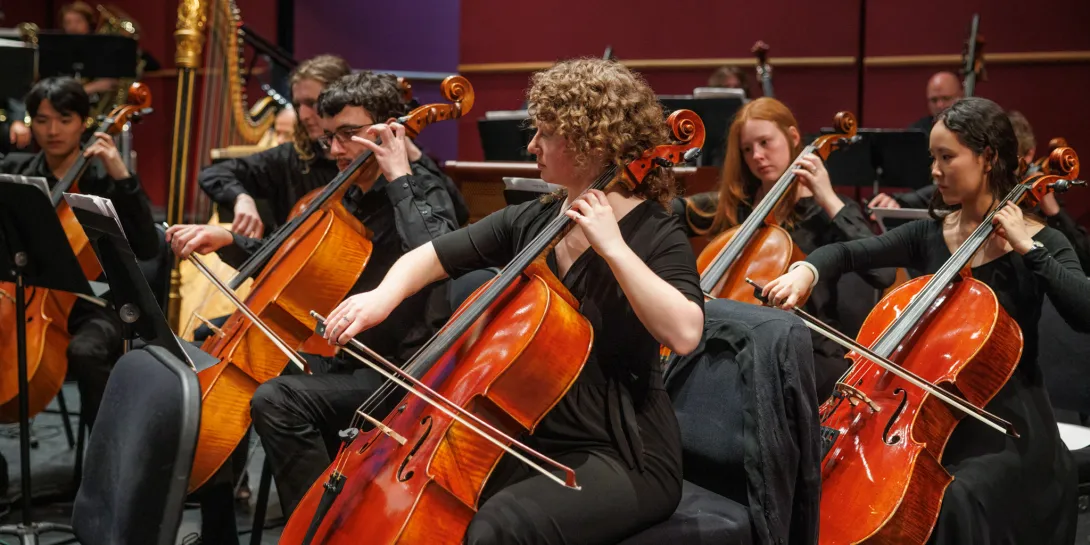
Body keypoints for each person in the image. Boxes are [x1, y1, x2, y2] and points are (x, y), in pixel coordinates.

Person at [321, 57, 705, 545]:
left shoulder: (655, 232)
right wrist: (381, 297)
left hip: (623, 450)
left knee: (498, 527)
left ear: (593, 142)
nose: (531, 146)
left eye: (545, 133)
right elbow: (430, 257)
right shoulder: (538, 218)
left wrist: (613, 248)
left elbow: (686, 331)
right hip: (534, 431)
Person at [763, 96, 1090, 544]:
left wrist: (1028, 250)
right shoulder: (930, 233)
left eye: (946, 157)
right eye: (932, 158)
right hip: (921, 412)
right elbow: (848, 252)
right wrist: (806, 270)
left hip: (1006, 425)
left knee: (953, 499)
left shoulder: (1040, 241)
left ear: (988, 157)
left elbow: (1084, 311)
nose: (934, 171)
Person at [167, 70, 468, 517]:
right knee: (211, 361)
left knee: (276, 399)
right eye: (330, 137)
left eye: (348, 134)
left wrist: (399, 175)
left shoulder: (426, 186)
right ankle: (218, 526)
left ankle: (320, 525)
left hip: (398, 369)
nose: (336, 150)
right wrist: (231, 241)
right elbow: (295, 261)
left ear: (389, 128)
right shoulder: (347, 191)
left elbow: (437, 256)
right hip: (340, 351)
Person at [682, 97, 894, 398]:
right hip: (736, 344)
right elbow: (673, 211)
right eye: (747, 149)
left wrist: (828, 198)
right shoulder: (738, 207)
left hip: (807, 352)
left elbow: (883, 273)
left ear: (793, 138)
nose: (757, 155)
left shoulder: (826, 211)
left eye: (765, 142)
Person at [0, 77, 159, 428]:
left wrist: (122, 175)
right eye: (41, 120)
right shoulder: (15, 173)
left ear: (83, 122)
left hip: (94, 305)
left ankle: (106, 450)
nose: (52, 130)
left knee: (85, 352)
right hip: (22, 295)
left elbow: (148, 246)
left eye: (64, 119)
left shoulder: (103, 180)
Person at [869, 110, 1089, 272]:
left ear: (1029, 155)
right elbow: (924, 196)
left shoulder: (1041, 204)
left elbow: (1083, 258)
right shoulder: (965, 192)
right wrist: (896, 201)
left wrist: (1053, 213)